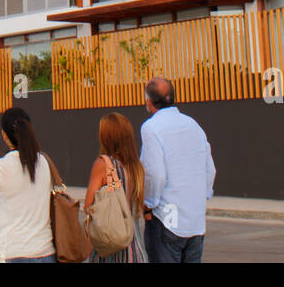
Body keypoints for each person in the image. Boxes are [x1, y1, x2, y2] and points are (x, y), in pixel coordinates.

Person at [140, 76, 215, 262]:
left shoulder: (151, 128)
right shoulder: (193, 125)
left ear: (149, 102)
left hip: (166, 220)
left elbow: (155, 174)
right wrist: (202, 197)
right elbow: (210, 169)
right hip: (195, 221)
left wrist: (148, 203)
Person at [0, 107, 55, 263]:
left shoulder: (1, 167)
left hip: (12, 252)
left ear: (4, 135)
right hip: (45, 252)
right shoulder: (44, 162)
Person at [83, 112, 146, 263]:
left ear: (106, 137)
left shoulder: (103, 165)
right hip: (133, 249)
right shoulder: (137, 167)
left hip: (109, 247)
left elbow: (88, 207)